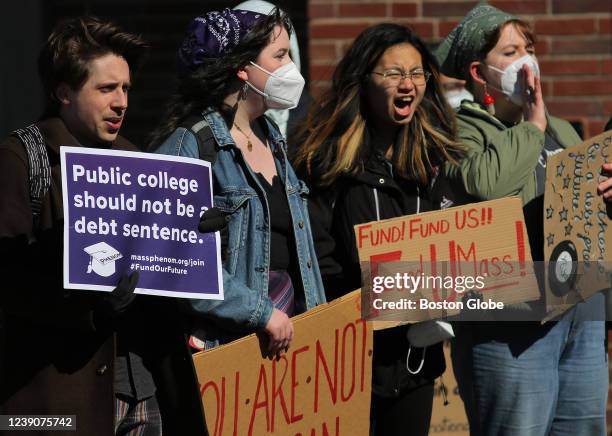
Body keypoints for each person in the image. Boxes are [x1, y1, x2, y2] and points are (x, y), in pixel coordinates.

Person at [0, 17, 206, 436]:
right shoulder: (21, 158)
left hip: (142, 392)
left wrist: (194, 242)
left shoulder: (137, 161)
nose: (122, 102)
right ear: (64, 92)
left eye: (126, 88)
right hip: (59, 404)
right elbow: (6, 278)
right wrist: (87, 309)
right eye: (106, 88)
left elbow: (155, 270)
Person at [436, 4, 610, 435]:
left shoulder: (561, 129)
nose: (526, 60)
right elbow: (486, 183)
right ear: (479, 73)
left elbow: (587, 207)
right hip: (511, 319)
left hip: (579, 308)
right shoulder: (461, 130)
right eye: (511, 51)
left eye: (528, 48)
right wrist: (532, 125)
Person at [292, 23, 464, 436]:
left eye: (417, 73)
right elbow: (315, 254)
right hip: (347, 361)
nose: (407, 84)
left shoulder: (437, 162)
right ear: (364, 81)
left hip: (414, 362)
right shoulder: (327, 163)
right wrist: (368, 295)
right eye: (393, 74)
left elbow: (457, 243)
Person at [150, 8, 326, 354]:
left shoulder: (271, 135)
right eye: (280, 55)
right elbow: (178, 264)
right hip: (230, 346)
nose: (291, 65)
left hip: (291, 338)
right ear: (243, 68)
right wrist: (261, 314)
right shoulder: (190, 146)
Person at [234, 0, 312, 147]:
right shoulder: (203, 138)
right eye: (280, 56)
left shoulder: (314, 124)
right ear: (243, 65)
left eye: (291, 55)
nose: (290, 67)